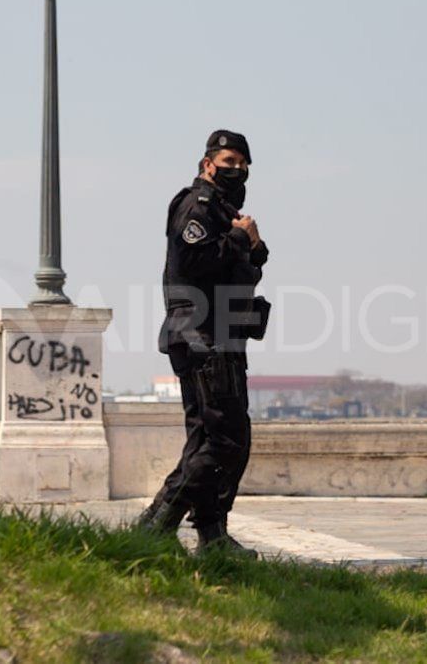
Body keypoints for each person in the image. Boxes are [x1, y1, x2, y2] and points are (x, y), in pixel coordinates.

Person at [138, 129, 271, 555]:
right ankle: (157, 523)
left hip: (223, 338)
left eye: (242, 164)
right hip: (202, 338)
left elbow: (242, 270)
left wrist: (251, 245)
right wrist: (239, 239)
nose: (236, 169)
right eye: (228, 162)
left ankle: (211, 535)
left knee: (223, 439)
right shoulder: (197, 205)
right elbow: (192, 261)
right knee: (221, 440)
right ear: (207, 163)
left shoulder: (226, 212)